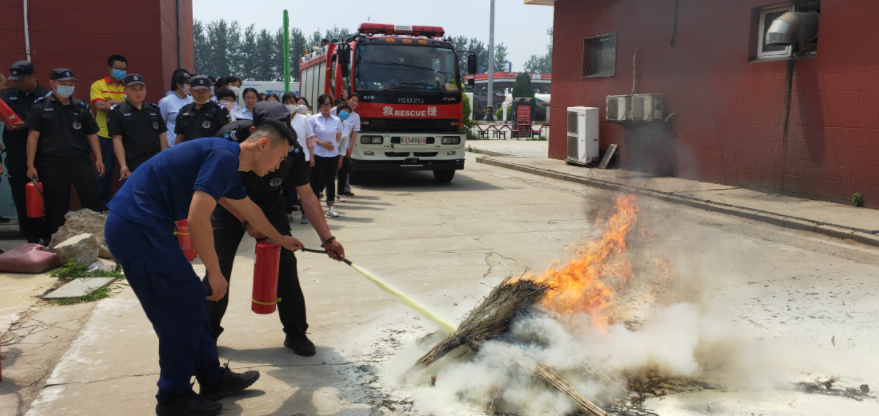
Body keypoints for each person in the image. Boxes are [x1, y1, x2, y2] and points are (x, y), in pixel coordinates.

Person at [105, 124, 307, 416]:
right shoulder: (224, 157)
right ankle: (173, 398)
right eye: (281, 155)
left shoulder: (226, 160)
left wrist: (280, 238)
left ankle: (212, 380)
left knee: (193, 306)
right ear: (263, 144)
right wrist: (214, 270)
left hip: (147, 226)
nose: (281, 164)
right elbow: (198, 217)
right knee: (180, 313)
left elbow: (249, 210)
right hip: (137, 228)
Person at [206, 101, 345, 356]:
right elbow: (213, 188)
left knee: (285, 265)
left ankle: (296, 333)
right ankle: (206, 335)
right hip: (228, 204)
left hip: (269, 203)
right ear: (257, 131)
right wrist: (246, 221)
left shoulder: (291, 149)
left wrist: (328, 239)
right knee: (218, 267)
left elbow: (307, 196)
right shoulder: (229, 137)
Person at [25, 69, 105, 239]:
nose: (68, 87)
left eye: (71, 84)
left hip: (80, 160)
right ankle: (57, 241)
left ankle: (100, 238)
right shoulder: (41, 107)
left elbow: (91, 134)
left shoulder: (81, 107)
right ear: (52, 83)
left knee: (91, 200)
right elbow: (33, 137)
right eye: (63, 83)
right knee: (56, 204)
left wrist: (99, 158)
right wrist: (30, 165)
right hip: (54, 162)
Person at [1, 61, 51, 243]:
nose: (18, 83)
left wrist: (27, 125)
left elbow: (53, 125)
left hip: (42, 156)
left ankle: (46, 233)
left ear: (34, 76)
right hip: (16, 156)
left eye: (22, 79)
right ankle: (29, 236)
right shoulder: (6, 96)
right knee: (21, 197)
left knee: (45, 195)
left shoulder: (47, 97)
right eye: (15, 80)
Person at [107, 74, 168, 180]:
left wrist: (164, 157)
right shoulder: (117, 112)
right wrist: (123, 165)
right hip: (133, 163)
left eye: (141, 88)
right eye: (133, 89)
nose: (138, 92)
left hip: (156, 160)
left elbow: (162, 134)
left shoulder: (153, 109)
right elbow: (117, 140)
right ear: (125, 90)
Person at [283, 93, 316, 223]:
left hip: (303, 158)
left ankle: (305, 213)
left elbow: (310, 139)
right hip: (284, 159)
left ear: (297, 103)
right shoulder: (280, 119)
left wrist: (312, 156)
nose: (289, 105)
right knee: (286, 187)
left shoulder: (304, 119)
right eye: (286, 102)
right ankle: (288, 212)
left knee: (303, 188)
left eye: (292, 102)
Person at [308, 94, 343, 218]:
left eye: (328, 104)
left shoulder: (337, 120)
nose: (326, 107)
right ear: (320, 105)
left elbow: (339, 137)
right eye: (323, 104)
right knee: (316, 181)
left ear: (331, 106)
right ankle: (315, 207)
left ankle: (331, 206)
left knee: (330, 181)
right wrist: (323, 143)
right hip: (318, 153)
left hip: (332, 155)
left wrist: (335, 147)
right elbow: (310, 136)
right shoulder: (313, 119)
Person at [174, 76, 231, 143]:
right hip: (189, 152)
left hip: (211, 152)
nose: (200, 94)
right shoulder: (184, 111)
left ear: (210, 91)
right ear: (190, 90)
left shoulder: (220, 111)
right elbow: (180, 138)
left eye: (204, 91)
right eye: (197, 91)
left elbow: (226, 137)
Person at [330, 94, 360, 198]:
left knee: (343, 170)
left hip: (344, 146)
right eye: (353, 100)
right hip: (331, 146)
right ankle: (326, 192)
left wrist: (350, 147)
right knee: (330, 171)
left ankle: (340, 193)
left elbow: (353, 133)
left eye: (356, 101)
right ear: (347, 100)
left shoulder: (355, 117)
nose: (354, 103)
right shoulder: (334, 110)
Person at [158, 71, 192, 146]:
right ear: (178, 84)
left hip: (189, 143)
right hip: (171, 145)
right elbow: (160, 125)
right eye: (187, 84)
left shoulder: (192, 100)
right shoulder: (166, 102)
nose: (189, 86)